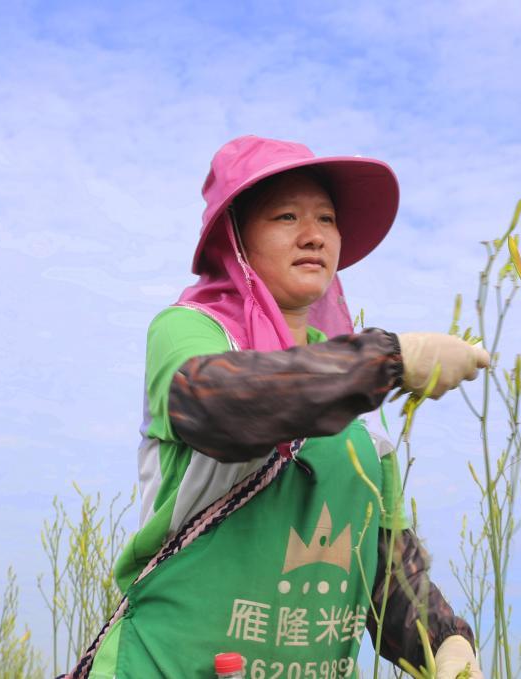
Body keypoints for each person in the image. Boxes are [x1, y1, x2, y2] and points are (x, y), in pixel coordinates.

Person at [70, 136, 488, 678]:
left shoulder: (362, 423)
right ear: (237, 237)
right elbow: (220, 405)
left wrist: (446, 642)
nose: (314, 235)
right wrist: (386, 360)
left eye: (328, 219)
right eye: (286, 216)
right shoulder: (192, 334)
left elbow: (384, 576)